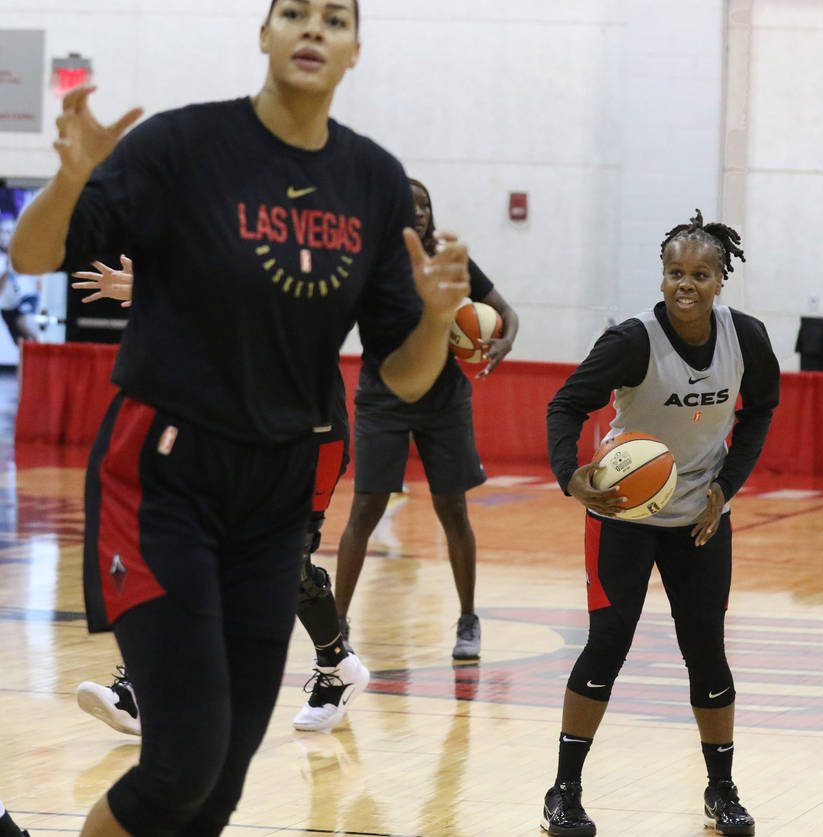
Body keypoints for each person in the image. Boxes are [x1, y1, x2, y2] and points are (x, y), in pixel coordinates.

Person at [9, 0, 470, 834]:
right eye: (293, 11)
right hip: (163, 476)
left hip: (276, 493)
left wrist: (437, 321)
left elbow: (403, 377)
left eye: (335, 18)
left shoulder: (370, 180)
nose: (312, 29)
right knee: (181, 759)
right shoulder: (184, 147)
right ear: (264, 34)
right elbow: (33, 255)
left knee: (218, 785)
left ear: (355, 49)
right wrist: (72, 177)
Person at [542, 210, 779, 837]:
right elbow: (565, 404)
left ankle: (721, 790)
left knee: (706, 651)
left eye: (700, 274)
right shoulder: (631, 340)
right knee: (607, 646)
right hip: (624, 514)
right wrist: (571, 475)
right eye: (675, 272)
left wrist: (724, 491)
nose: (686, 284)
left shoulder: (747, 338)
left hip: (700, 517)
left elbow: (760, 412)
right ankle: (564, 791)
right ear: (664, 274)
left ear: (721, 279)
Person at [70, 258, 368, 735]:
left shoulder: (306, 255)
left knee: (288, 565)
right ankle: (144, 691)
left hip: (311, 436)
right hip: (244, 430)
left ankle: (338, 667)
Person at [333, 177, 519, 660]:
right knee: (365, 510)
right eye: (408, 204)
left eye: (425, 205)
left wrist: (503, 339)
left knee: (452, 511)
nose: (418, 211)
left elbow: (506, 313)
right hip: (381, 394)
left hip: (444, 397)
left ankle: (468, 619)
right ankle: (336, 624)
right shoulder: (368, 262)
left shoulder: (448, 260)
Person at [0, 215, 39, 346]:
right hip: (8, 307)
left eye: (9, 232)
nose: (6, 236)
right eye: (3, 231)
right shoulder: (2, 260)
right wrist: (7, 271)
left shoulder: (23, 253)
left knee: (25, 323)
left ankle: (42, 349)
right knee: (20, 343)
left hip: (26, 297)